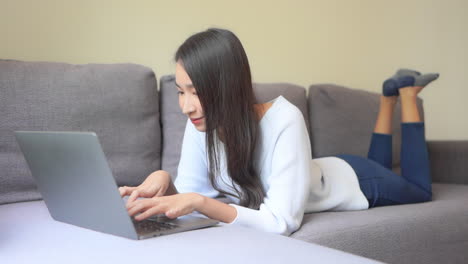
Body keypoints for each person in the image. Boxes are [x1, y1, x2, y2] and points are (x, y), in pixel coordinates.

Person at [119, 28, 439, 236]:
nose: (186, 106)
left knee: (419, 189)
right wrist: (165, 180)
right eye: (181, 91)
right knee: (384, 166)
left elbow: (280, 222)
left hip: (354, 180)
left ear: (227, 87)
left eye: (196, 91)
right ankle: (387, 97)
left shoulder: (285, 119)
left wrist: (199, 202)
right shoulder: (201, 123)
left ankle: (407, 95)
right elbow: (191, 202)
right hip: (323, 169)